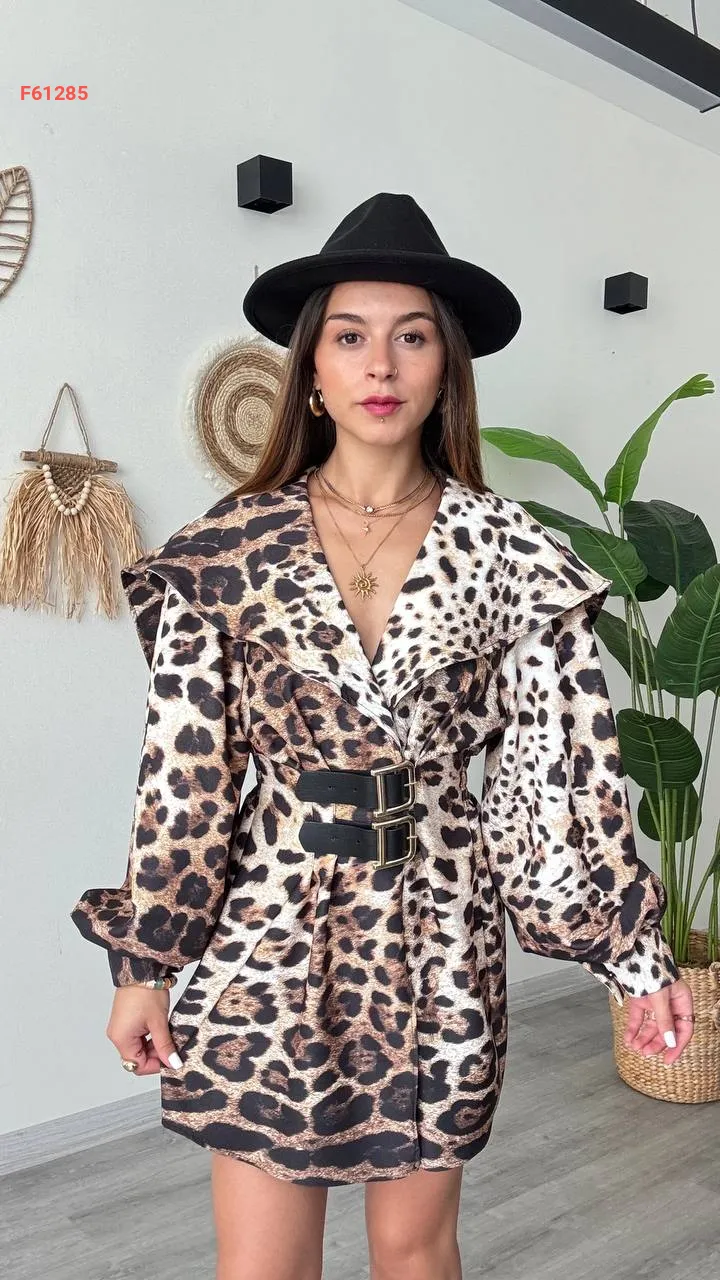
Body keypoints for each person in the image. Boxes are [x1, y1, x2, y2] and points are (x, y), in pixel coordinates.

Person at [70, 192, 695, 1280]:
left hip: (440, 933)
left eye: (413, 337)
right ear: (310, 368)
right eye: (350, 336)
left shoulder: (510, 553)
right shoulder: (228, 551)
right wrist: (146, 962)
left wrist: (631, 957)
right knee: (262, 1264)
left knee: (415, 1253)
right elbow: (184, 779)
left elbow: (557, 781)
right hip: (266, 931)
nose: (381, 365)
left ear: (448, 367)